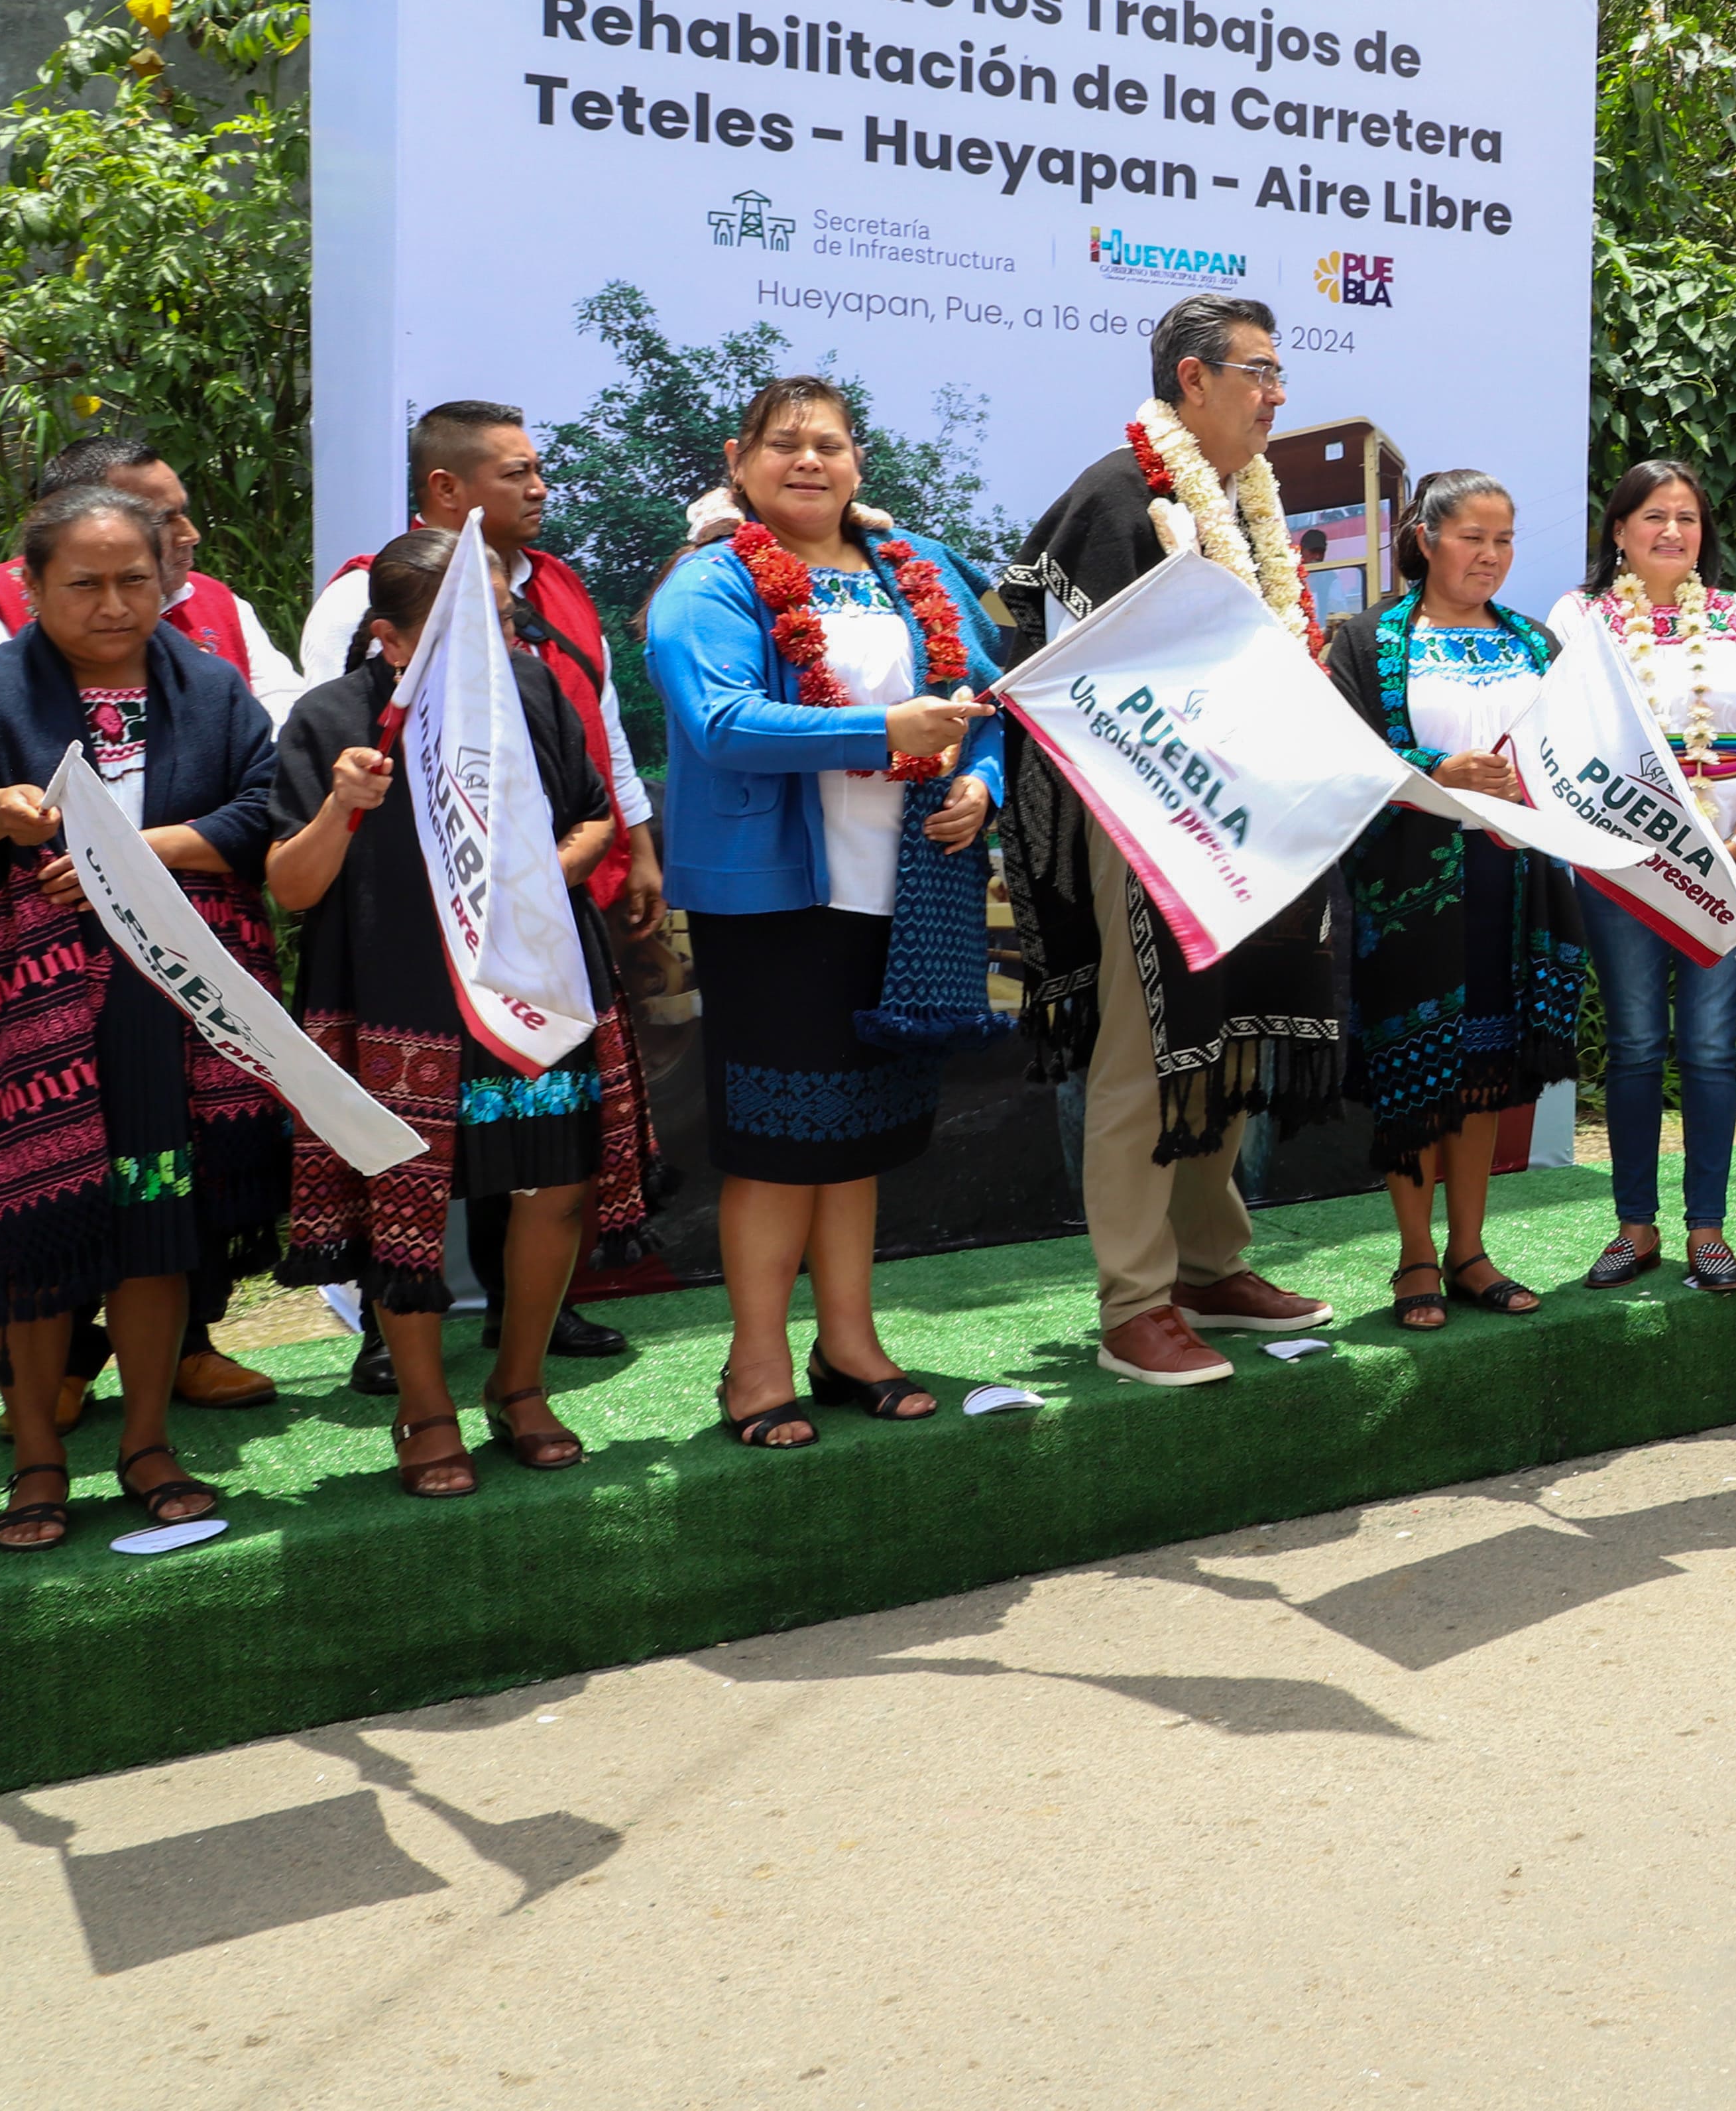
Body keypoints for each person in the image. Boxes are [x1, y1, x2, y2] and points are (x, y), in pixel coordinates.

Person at [0, 485, 286, 1547]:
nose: (116, 604)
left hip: (169, 1000)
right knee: (40, 1227)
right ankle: (37, 1460)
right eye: (86, 584)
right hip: (26, 1007)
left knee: (155, 1218)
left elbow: (262, 810)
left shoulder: (211, 687)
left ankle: (147, 1444)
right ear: (32, 588)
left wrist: (132, 854)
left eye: (136, 580)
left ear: (167, 580)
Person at [645, 378, 1010, 1446]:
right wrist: (885, 730)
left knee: (860, 1135)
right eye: (786, 443)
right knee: (778, 1143)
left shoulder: (916, 564)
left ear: (858, 462)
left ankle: (848, 1343)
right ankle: (754, 1363)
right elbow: (721, 722)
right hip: (776, 899)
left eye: (831, 444)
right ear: (740, 460)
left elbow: (990, 704)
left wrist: (981, 780)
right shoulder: (710, 582)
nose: (810, 461)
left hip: (904, 891)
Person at [996, 294, 1348, 1385]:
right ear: (1192, 380)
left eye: (1280, 374)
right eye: (1260, 372)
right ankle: (1135, 1303)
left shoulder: (1247, 504)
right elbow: (1078, 673)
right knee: (1146, 1050)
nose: (1278, 395)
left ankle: (1208, 1266)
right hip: (1150, 816)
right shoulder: (1118, 496)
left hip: (1246, 816)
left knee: (1225, 1035)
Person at [268, 531, 655, 1493]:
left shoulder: (531, 692)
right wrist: (341, 807)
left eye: (502, 620)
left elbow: (593, 816)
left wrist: (526, 885)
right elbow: (291, 887)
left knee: (554, 1183)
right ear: (391, 640)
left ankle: (519, 1386)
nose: (496, 641)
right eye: (464, 626)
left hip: (532, 985)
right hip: (396, 1002)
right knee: (403, 1207)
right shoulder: (332, 720)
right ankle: (425, 1407)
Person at [1324, 471, 1588, 1329]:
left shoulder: (1536, 642)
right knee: (1416, 1071)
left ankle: (1469, 1252)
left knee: (1486, 1069)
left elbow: (1577, 751)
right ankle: (1415, 1257)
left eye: (1504, 540)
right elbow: (1340, 755)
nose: (1491, 555)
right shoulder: (1369, 640)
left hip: (1515, 882)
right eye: (1474, 537)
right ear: (1427, 539)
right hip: (1410, 886)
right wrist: (1437, 773)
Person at [1548, 459, 1736, 1296]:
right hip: (1622, 867)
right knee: (1633, 1044)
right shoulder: (1580, 616)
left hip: (1723, 863)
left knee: (1709, 1045)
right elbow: (1562, 733)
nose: (1672, 531)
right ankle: (1636, 1227)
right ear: (1619, 530)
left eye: (1687, 517)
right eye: (1654, 515)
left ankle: (1708, 1228)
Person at [0, 434, 307, 725]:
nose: (190, 535)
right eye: (161, 520)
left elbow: (284, 716)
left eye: (184, 513)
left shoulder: (217, 600)